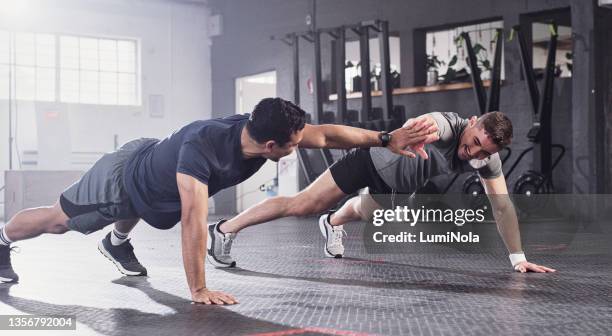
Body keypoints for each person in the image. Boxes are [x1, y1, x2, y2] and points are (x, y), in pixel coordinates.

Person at [0, 97, 438, 305]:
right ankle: (2, 237)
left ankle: (116, 244)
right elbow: (194, 220)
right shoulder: (202, 153)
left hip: (154, 174)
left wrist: (386, 137)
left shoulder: (259, 131)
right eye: (293, 145)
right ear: (272, 145)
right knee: (60, 221)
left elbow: (324, 134)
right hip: (120, 179)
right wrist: (198, 288)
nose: (302, 146)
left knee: (152, 202)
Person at [209, 111, 556, 274]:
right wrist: (418, 131)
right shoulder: (446, 127)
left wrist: (518, 258)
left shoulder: (485, 160)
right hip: (368, 161)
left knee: (366, 213)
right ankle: (223, 230)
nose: (473, 152)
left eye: (483, 151)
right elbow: (428, 122)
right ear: (473, 121)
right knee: (304, 204)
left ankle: (332, 222)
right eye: (474, 141)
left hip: (399, 186)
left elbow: (503, 207)